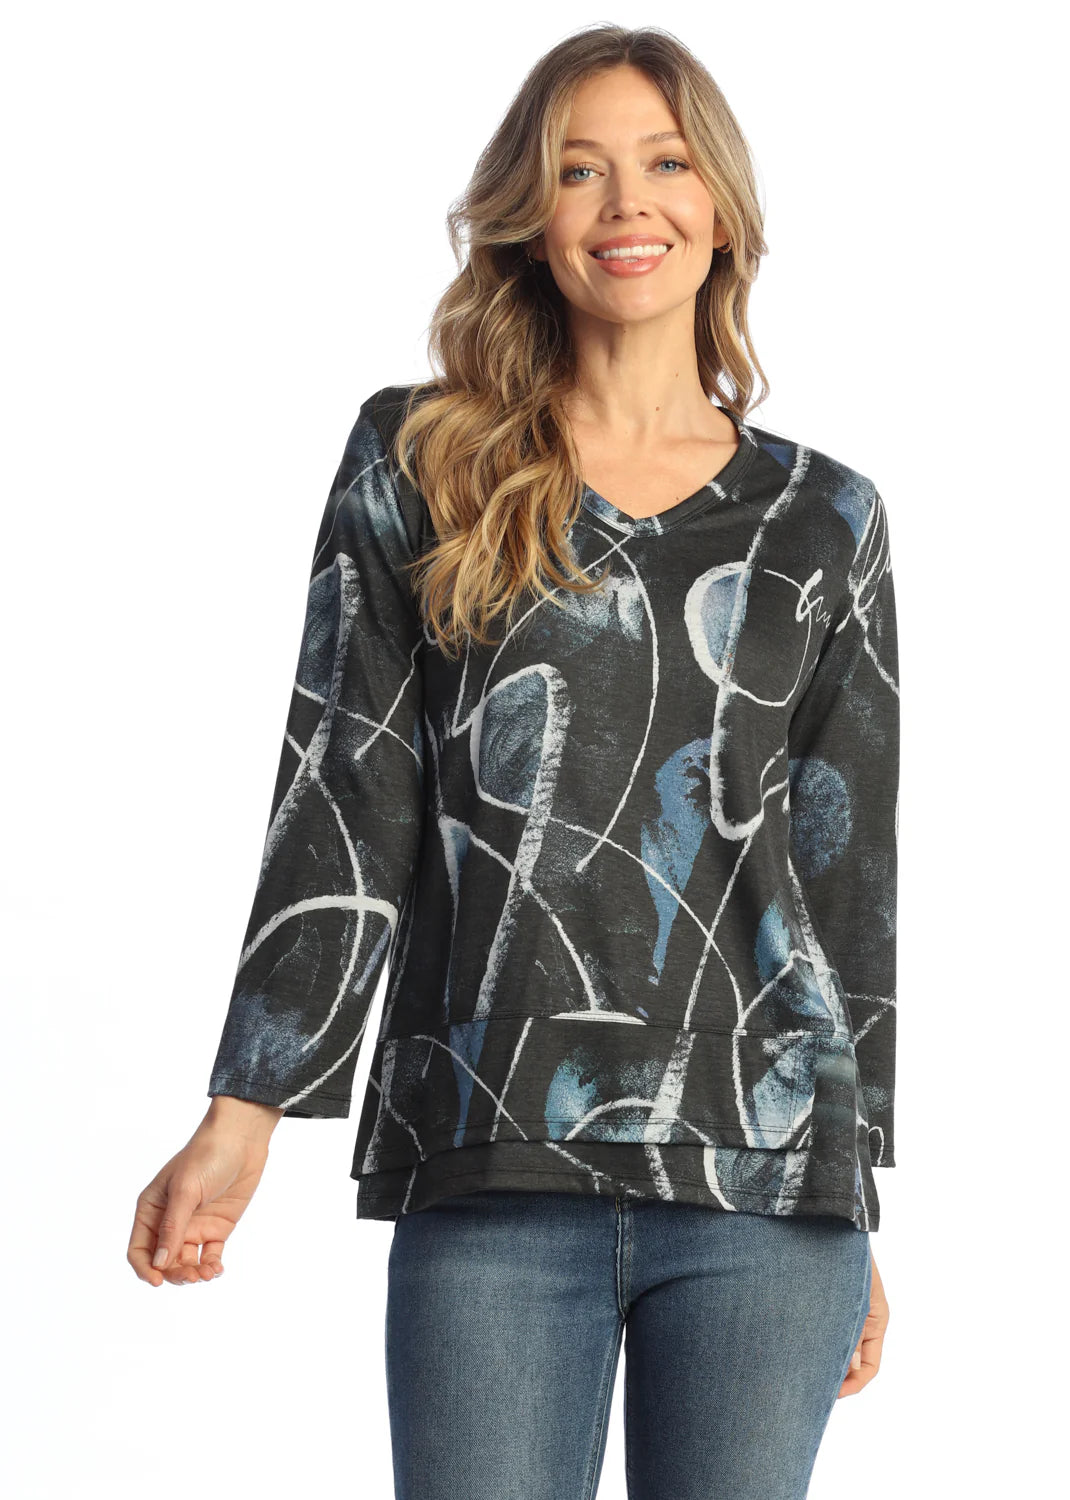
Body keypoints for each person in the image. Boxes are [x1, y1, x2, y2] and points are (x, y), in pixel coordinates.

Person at [127, 24, 899, 1500]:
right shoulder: (422, 460)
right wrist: (244, 1115)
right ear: (529, 218)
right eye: (580, 170)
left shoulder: (827, 518)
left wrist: (852, 1194)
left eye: (665, 163)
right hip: (491, 1162)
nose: (628, 204)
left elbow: (844, 877)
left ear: (720, 208)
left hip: (768, 1185)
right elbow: (347, 790)